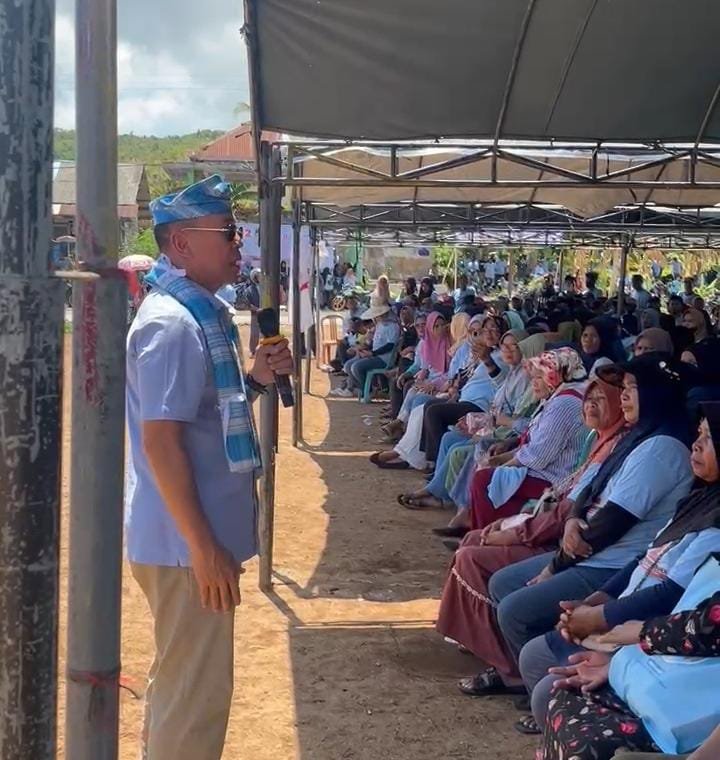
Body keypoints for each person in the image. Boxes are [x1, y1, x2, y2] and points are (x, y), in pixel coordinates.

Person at [125, 175, 293, 760]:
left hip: (187, 538)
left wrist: (256, 380)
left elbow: (200, 418)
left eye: (236, 230)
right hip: (184, 544)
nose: (238, 244)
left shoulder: (199, 314)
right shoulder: (172, 323)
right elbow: (162, 443)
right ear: (179, 245)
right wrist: (203, 547)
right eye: (226, 232)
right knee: (194, 695)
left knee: (183, 683)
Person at [476, 354, 694, 703]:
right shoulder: (637, 435)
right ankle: (523, 673)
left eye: (633, 388)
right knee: (503, 583)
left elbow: (610, 525)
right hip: (588, 547)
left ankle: (544, 686)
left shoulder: (662, 447)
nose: (624, 396)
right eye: (623, 388)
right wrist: (575, 517)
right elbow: (589, 486)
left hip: (606, 561)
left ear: (656, 393)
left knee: (515, 608)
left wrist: (554, 565)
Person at [521, 403, 720, 734]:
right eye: (698, 435)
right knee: (535, 658)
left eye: (710, 438)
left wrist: (599, 618)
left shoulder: (715, 525)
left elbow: (672, 594)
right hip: (626, 614)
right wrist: (596, 600)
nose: (696, 445)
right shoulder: (697, 499)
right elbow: (644, 556)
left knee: (546, 685)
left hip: (658, 639)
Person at [438, 376, 625, 692]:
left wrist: (519, 531)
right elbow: (566, 503)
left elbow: (570, 511)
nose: (590, 405)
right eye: (589, 399)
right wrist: (521, 523)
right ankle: (485, 643)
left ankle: (508, 668)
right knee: (473, 539)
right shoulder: (601, 440)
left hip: (572, 546)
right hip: (553, 521)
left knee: (475, 555)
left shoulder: (615, 445)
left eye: (602, 400)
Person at [542, 573, 720, 758]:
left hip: (680, 702)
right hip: (654, 658)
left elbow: (700, 620)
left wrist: (602, 617)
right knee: (556, 690)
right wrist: (622, 658)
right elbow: (643, 564)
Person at [462, 348, 588, 533]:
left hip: (554, 480)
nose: (533, 383)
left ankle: (482, 537)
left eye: (539, 377)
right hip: (544, 471)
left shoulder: (564, 404)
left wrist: (503, 463)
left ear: (555, 375)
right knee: (486, 469)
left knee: (484, 480)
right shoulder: (559, 398)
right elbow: (532, 443)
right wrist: (501, 459)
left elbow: (538, 457)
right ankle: (480, 532)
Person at [331, 301, 400, 397]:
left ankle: (367, 390)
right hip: (375, 355)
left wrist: (372, 353)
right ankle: (363, 388)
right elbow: (374, 342)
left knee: (356, 367)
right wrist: (364, 349)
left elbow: (390, 345)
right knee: (347, 366)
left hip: (384, 358)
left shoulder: (393, 327)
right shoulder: (379, 325)